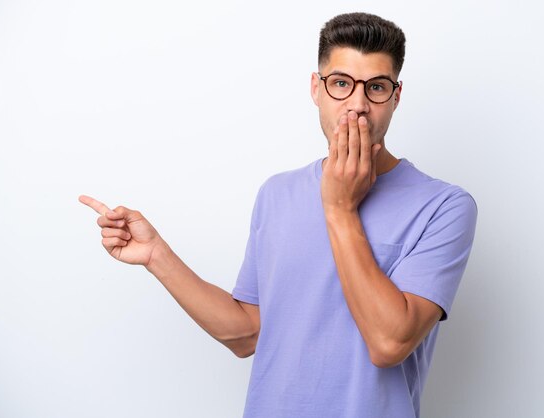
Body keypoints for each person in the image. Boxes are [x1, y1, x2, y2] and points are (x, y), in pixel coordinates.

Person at [80, 12, 477, 418]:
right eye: (341, 83)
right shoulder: (277, 194)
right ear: (316, 89)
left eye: (376, 87)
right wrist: (156, 256)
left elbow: (389, 344)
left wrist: (339, 208)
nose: (357, 105)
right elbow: (245, 333)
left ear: (396, 96)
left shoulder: (443, 207)